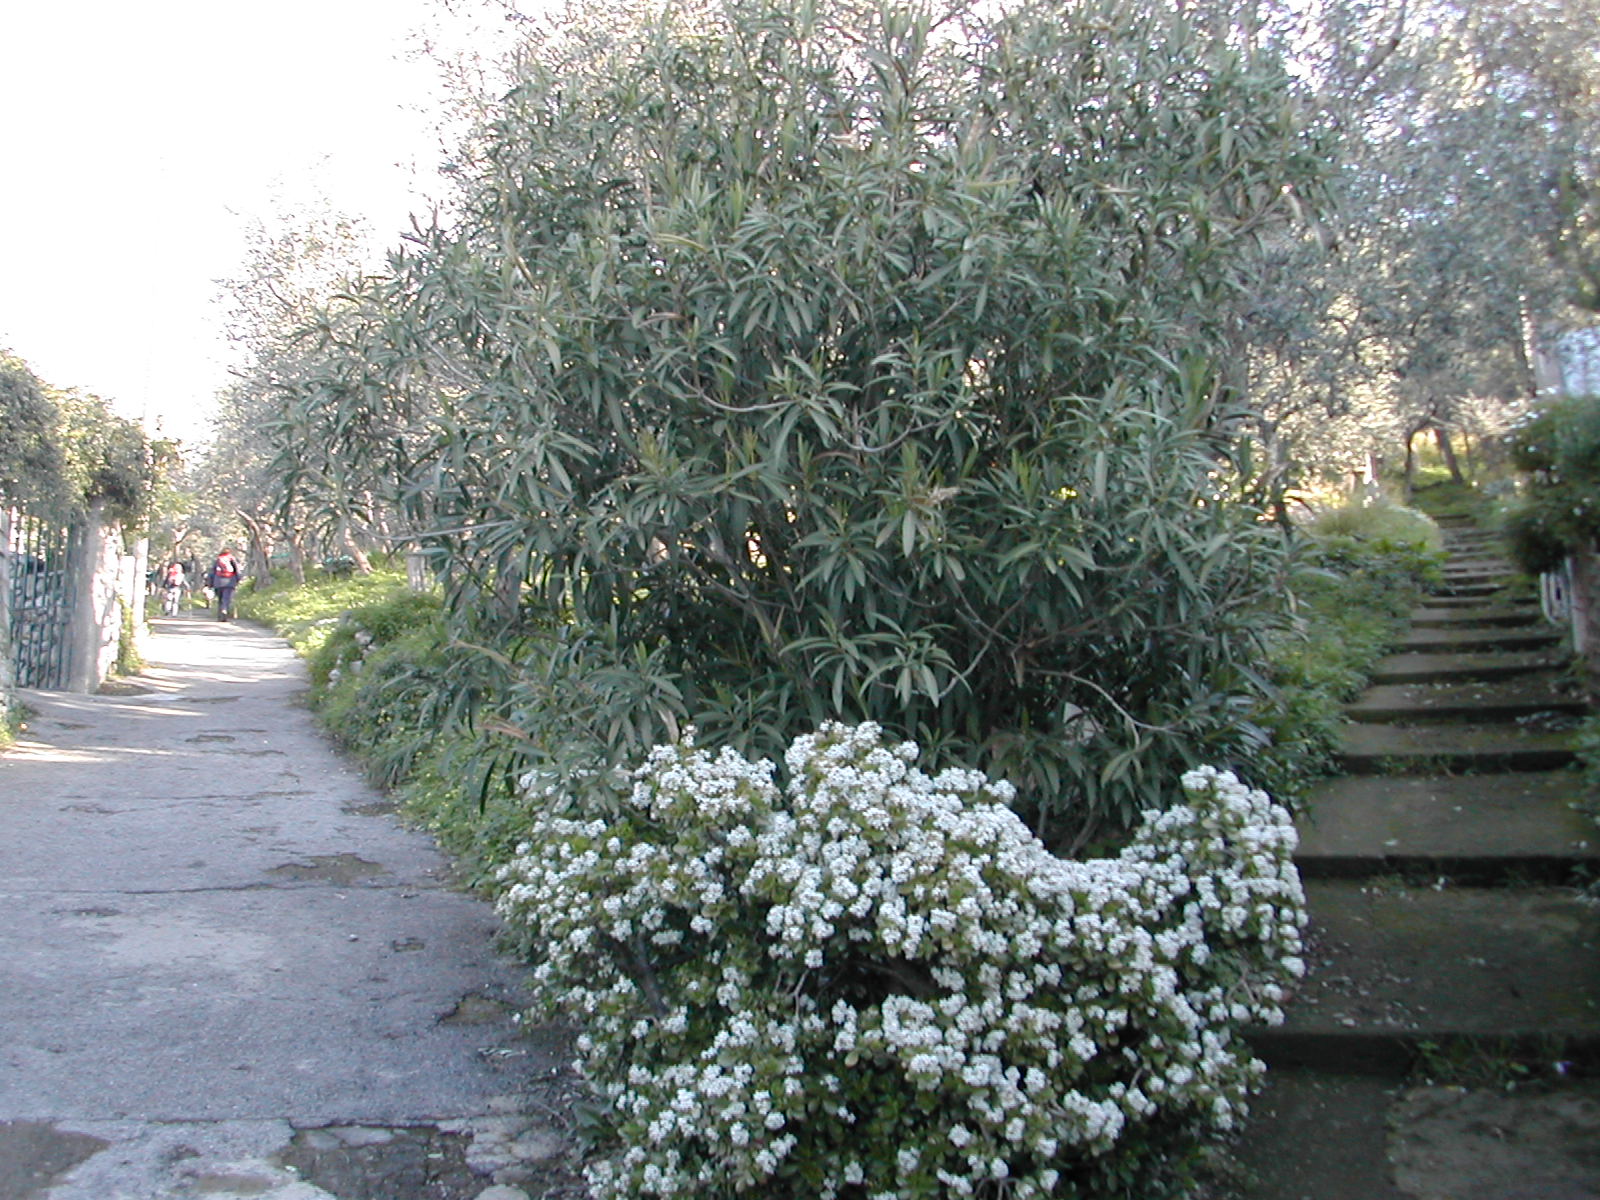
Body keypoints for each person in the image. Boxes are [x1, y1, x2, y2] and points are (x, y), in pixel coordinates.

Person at [205, 547, 243, 621]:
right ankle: (224, 610)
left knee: (220, 599)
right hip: (230, 582)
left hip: (218, 582)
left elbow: (212, 572)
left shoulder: (218, 560)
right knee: (226, 598)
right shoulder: (232, 559)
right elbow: (237, 571)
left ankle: (220, 616)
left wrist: (209, 583)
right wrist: (238, 580)